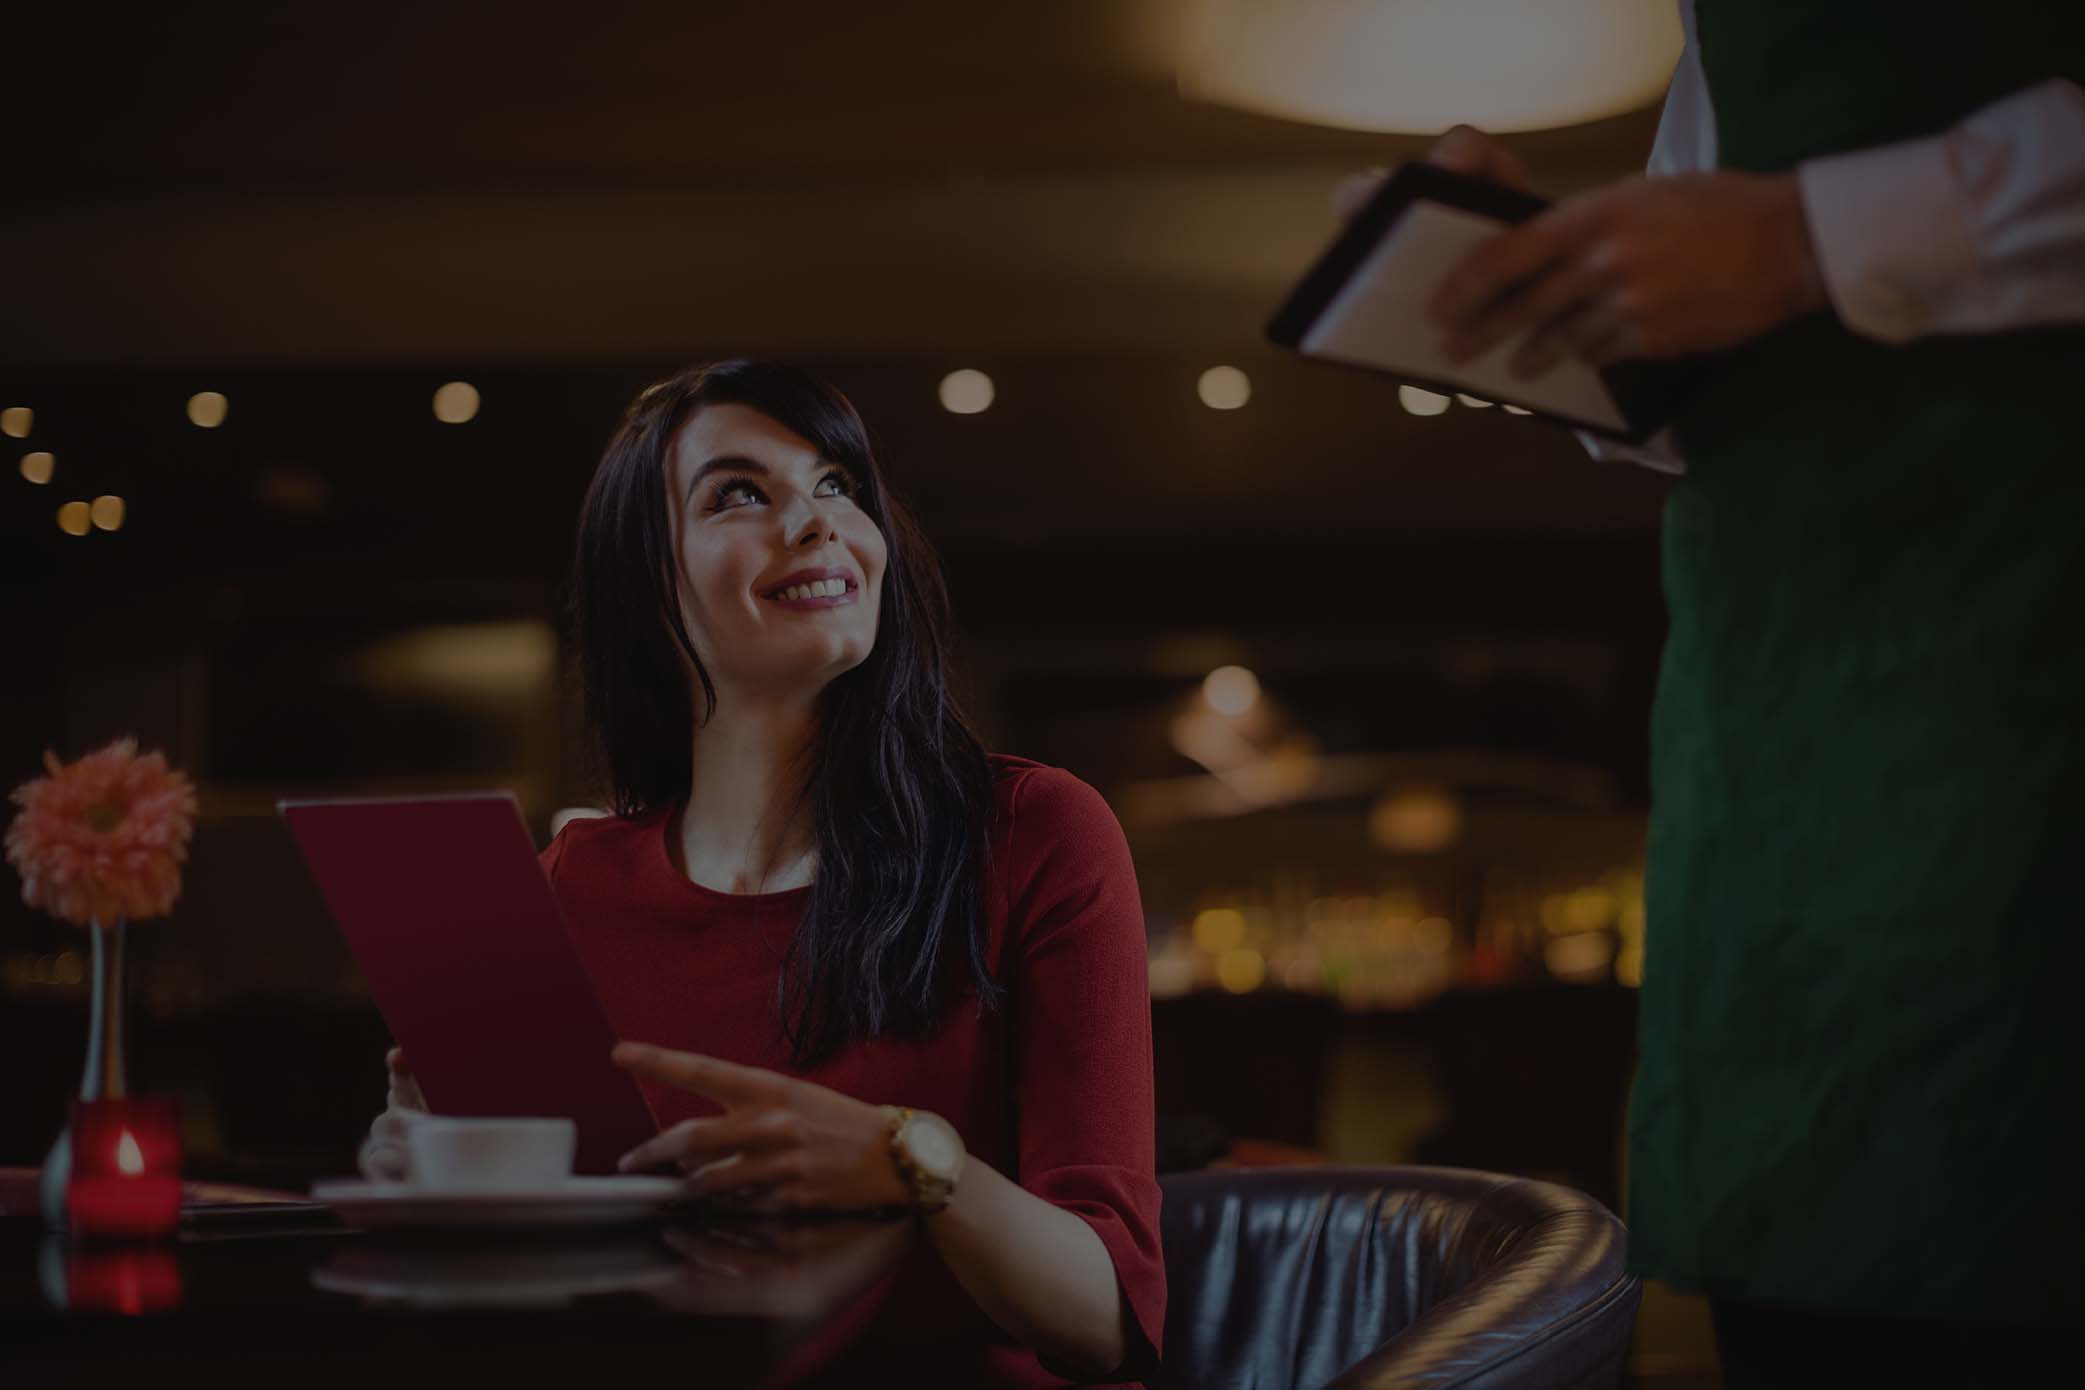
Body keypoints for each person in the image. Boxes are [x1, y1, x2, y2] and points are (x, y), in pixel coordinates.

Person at [1344, 3, 2085, 1381]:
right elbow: (1718, 395)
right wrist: (1560, 297)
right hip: (1777, 783)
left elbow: (1793, 253)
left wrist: (1814, 234)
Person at [364, 360, 1163, 1386]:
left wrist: (915, 1164)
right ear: (648, 585)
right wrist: (441, 1173)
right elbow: (557, 1300)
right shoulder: (571, 880)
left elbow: (1107, 1318)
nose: (815, 521)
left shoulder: (1036, 831)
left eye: (837, 484)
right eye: (740, 493)